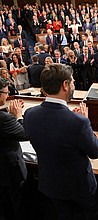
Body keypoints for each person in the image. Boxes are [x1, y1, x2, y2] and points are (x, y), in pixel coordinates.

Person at [24, 64, 98, 220]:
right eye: (72, 82)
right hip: (79, 187)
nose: (73, 85)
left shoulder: (29, 114)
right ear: (65, 85)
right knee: (90, 214)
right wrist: (86, 122)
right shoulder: (79, 122)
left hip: (50, 184)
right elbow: (96, 152)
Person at [0, 78, 27, 219]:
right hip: (9, 171)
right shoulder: (4, 119)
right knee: (14, 204)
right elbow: (24, 134)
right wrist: (18, 116)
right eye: (5, 92)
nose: (8, 94)